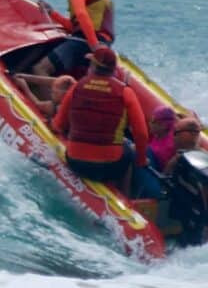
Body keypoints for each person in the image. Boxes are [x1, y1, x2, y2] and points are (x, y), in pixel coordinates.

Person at [51, 46, 147, 195]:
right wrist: (141, 160)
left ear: (93, 66)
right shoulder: (126, 92)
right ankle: (124, 196)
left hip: (76, 162)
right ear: (114, 69)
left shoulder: (77, 87)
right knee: (129, 150)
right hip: (110, 167)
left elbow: (58, 125)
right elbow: (141, 133)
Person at [31, 0, 115, 85]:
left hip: (86, 42)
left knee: (40, 68)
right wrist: (52, 13)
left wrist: (94, 46)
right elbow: (75, 27)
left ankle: (51, 104)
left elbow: (81, 14)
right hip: (103, 44)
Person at [147, 105, 178, 171]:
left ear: (163, 126)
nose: (149, 123)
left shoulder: (168, 146)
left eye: (152, 121)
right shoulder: (159, 134)